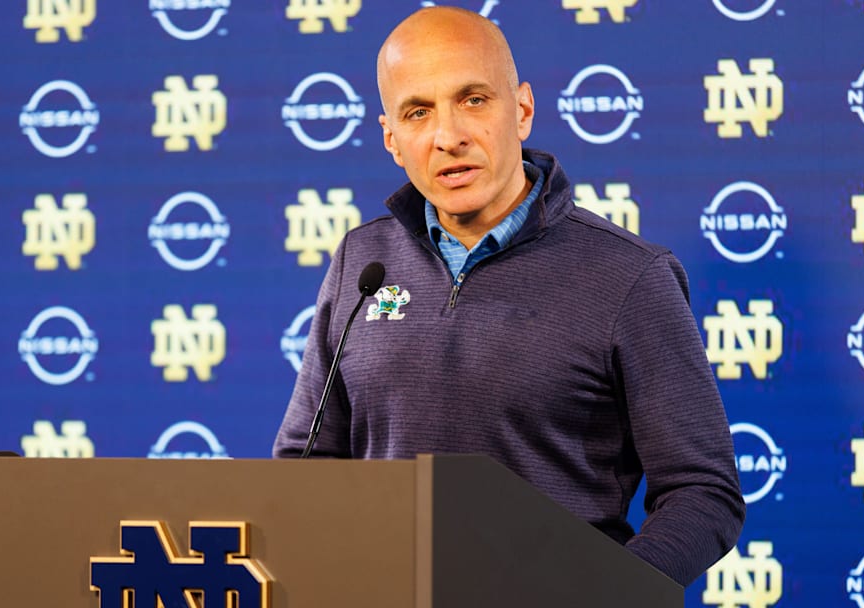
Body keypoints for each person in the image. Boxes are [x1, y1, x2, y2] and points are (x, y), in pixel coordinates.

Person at [273, 6, 744, 586]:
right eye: (418, 112)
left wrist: (611, 593)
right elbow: (306, 463)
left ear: (521, 110)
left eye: (473, 100)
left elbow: (703, 491)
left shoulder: (630, 275)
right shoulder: (362, 260)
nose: (448, 137)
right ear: (392, 138)